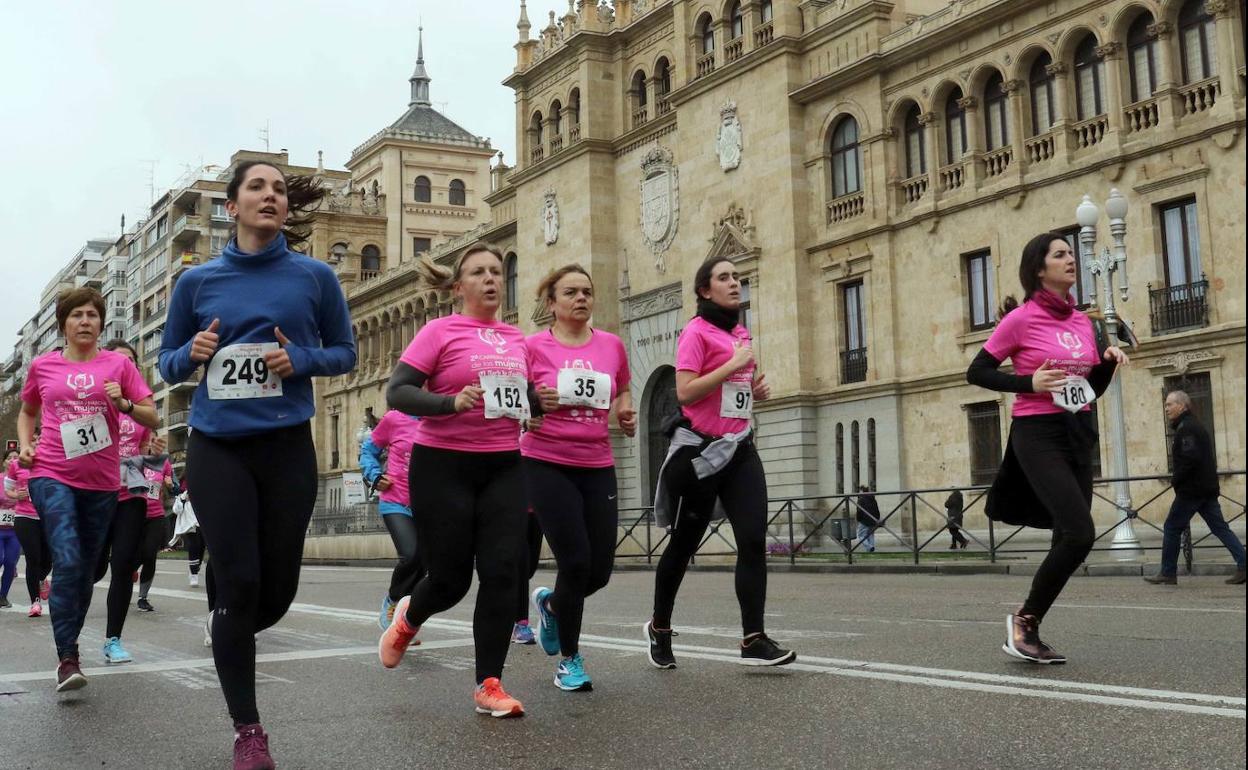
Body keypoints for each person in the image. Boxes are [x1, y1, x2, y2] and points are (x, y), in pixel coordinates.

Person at [159, 160, 355, 769]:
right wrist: (189, 353)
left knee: (275, 592)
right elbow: (165, 364)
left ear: (284, 208)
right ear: (234, 206)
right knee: (241, 585)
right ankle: (248, 730)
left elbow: (344, 352)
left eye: (278, 189)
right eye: (257, 188)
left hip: (286, 446)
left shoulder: (314, 277)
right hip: (218, 447)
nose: (270, 196)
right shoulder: (197, 283)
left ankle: (226, 609)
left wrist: (302, 359)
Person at [379, 242, 542, 719]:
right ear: (458, 287)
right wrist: (449, 403)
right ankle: (407, 618)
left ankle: (488, 684)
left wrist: (537, 402)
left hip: (504, 465)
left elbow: (522, 396)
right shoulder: (439, 331)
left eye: (497, 271)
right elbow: (398, 392)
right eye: (479, 273)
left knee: (501, 573)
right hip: (443, 465)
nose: (492, 279)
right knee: (450, 580)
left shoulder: (517, 339)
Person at [967, 232, 1126, 664]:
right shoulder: (1021, 319)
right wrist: (1028, 382)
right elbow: (977, 372)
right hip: (1037, 433)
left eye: (1071, 253)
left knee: (1070, 537)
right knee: (1080, 532)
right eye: (1060, 255)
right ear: (1040, 268)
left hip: (1076, 432)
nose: (1070, 259)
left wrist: (1107, 364)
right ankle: (1024, 622)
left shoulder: (1081, 322)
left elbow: (1089, 388)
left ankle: (1029, 627)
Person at [645, 257, 796, 669]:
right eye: (725, 278)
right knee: (683, 544)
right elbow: (686, 392)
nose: (735, 283)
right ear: (704, 290)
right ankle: (659, 627)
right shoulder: (695, 333)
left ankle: (753, 639)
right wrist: (732, 365)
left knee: (751, 540)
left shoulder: (740, 331)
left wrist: (753, 387)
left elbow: (737, 388)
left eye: (738, 277)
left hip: (741, 449)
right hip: (701, 455)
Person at [17, 286, 158, 690]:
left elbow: (154, 416)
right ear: (63, 323)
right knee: (68, 558)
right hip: (51, 472)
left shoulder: (119, 366)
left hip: (101, 483)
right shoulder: (43, 366)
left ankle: (70, 645)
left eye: (92, 316)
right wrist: (27, 444)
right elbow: (28, 412)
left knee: (84, 572)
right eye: (77, 315)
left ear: (101, 323)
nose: (84, 321)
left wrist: (125, 404)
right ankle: (68, 658)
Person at [522, 264, 636, 691]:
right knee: (574, 561)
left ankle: (551, 604)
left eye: (587, 291)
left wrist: (624, 411)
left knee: (600, 571)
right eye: (570, 292)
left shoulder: (611, 345)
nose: (581, 299)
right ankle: (569, 660)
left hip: (597, 461)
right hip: (546, 461)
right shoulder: (532, 347)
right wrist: (532, 405)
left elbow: (622, 388)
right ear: (551, 303)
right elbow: (512, 397)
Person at [92, 339, 165, 664]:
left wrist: (151, 454)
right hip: (95, 490)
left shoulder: (138, 407)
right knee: (92, 568)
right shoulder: (89, 398)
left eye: (131, 362)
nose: (124, 367)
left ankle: (113, 640)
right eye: (118, 360)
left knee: (124, 566)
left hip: (131, 491)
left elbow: (146, 453)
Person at [1145, 391, 1246, 586]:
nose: (1166, 409)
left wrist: (1175, 479)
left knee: (1171, 527)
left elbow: (1190, 459)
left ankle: (1167, 572)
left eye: (1169, 405)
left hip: (1192, 490)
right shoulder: (1192, 425)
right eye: (1165, 405)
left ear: (1182, 406)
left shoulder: (1187, 428)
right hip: (1205, 488)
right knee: (1220, 528)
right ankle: (1244, 563)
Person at [359, 408, 425, 629]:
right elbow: (368, 450)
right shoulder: (395, 418)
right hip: (396, 501)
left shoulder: (444, 419)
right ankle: (393, 600)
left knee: (425, 564)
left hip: (430, 506)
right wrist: (375, 475)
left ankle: (405, 618)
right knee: (411, 555)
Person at [6, 434, 51, 616]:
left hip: (48, 517)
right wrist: (17, 495)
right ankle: (35, 602)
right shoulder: (17, 464)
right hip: (25, 516)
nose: (37, 442)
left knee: (49, 558)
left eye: (40, 438)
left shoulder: (52, 463)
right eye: (33, 439)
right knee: (33, 559)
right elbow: (9, 490)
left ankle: (41, 579)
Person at [511, 509, 542, 645]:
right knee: (521, 568)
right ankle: (521, 623)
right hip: (515, 506)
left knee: (529, 568)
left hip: (538, 507)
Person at [170, 482, 205, 587]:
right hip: (190, 525)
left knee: (201, 547)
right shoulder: (183, 494)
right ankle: (193, 574)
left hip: (202, 522)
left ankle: (195, 567)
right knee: (194, 545)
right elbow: (176, 510)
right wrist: (182, 499)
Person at [0, 448, 19, 608]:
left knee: (11, 562)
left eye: (16, 457)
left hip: (15, 530)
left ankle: (3, 596)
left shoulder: (23, 480)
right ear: (4, 461)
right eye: (10, 457)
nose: (13, 460)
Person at [855, 486, 880, 553]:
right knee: (870, 535)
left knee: (861, 535)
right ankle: (870, 550)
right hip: (873, 519)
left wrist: (858, 519)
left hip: (864, 520)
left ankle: (869, 547)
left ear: (862, 491)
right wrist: (877, 519)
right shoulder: (873, 498)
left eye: (859, 492)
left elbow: (859, 510)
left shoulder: (861, 499)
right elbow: (877, 510)